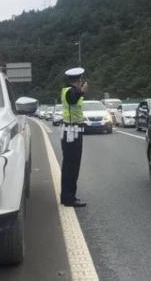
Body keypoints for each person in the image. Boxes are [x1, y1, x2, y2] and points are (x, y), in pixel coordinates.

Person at [60, 67, 88, 207]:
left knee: (69, 166)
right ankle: (69, 198)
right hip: (72, 133)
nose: (82, 81)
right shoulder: (71, 92)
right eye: (81, 79)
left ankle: (67, 196)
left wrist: (81, 92)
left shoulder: (68, 90)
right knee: (72, 167)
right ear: (78, 80)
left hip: (72, 132)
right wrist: (82, 91)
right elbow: (72, 99)